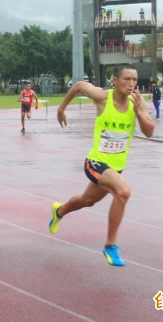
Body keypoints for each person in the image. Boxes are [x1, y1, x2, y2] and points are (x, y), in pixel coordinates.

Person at [49, 63, 154, 267]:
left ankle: (59, 211)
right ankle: (110, 246)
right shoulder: (102, 97)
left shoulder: (138, 103)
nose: (131, 84)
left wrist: (140, 112)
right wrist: (61, 108)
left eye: (134, 79)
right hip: (96, 162)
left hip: (115, 167)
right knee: (123, 192)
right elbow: (78, 85)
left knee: (87, 201)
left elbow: (149, 131)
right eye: (126, 79)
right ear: (114, 81)